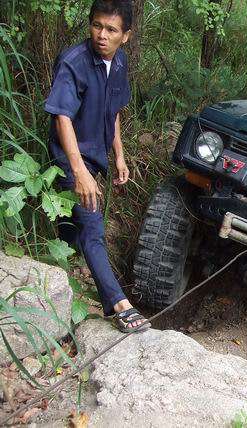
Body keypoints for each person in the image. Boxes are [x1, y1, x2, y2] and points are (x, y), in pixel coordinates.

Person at [45, 0, 150, 333]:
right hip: (70, 157)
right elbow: (62, 117)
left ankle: (57, 283)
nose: (102, 35)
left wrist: (119, 155)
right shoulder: (74, 62)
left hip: (96, 155)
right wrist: (79, 172)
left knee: (70, 230)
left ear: (125, 36)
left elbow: (113, 109)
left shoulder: (119, 62)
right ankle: (120, 305)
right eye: (97, 25)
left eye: (111, 29)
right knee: (92, 227)